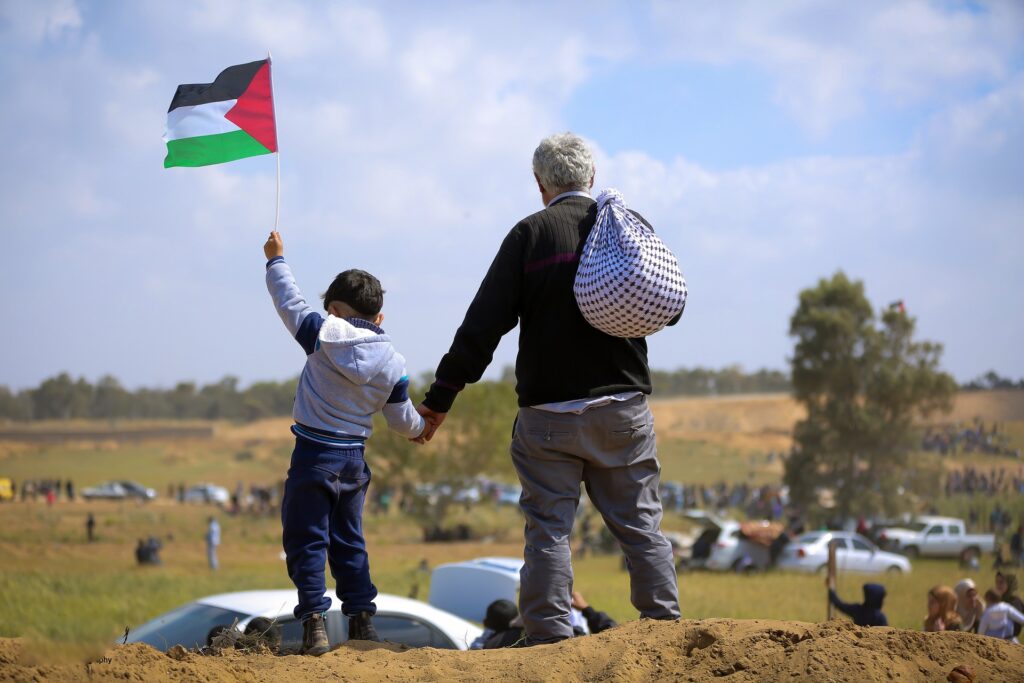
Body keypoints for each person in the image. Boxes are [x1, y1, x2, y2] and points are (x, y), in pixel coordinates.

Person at [415, 132, 681, 645]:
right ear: (592, 178)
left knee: (549, 530)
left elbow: (483, 326)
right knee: (641, 526)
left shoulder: (530, 235)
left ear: (540, 184)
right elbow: (669, 303)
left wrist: (440, 399)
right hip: (623, 410)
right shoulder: (628, 227)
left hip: (549, 420)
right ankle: (665, 633)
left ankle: (549, 644)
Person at [264, 230, 427, 655]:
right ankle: (361, 624)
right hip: (354, 462)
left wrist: (276, 259)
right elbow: (401, 420)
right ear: (379, 318)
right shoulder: (393, 363)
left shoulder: (321, 334)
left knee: (306, 540)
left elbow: (287, 300)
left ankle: (315, 625)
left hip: (313, 456)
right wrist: (421, 430)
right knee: (349, 540)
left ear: (335, 310)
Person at [995, 571, 1024, 639]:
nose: (998, 585)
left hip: (1009, 640)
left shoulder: (1015, 601)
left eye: (1001, 582)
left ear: (1009, 583)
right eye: (996, 582)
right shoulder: (996, 599)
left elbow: (1017, 626)